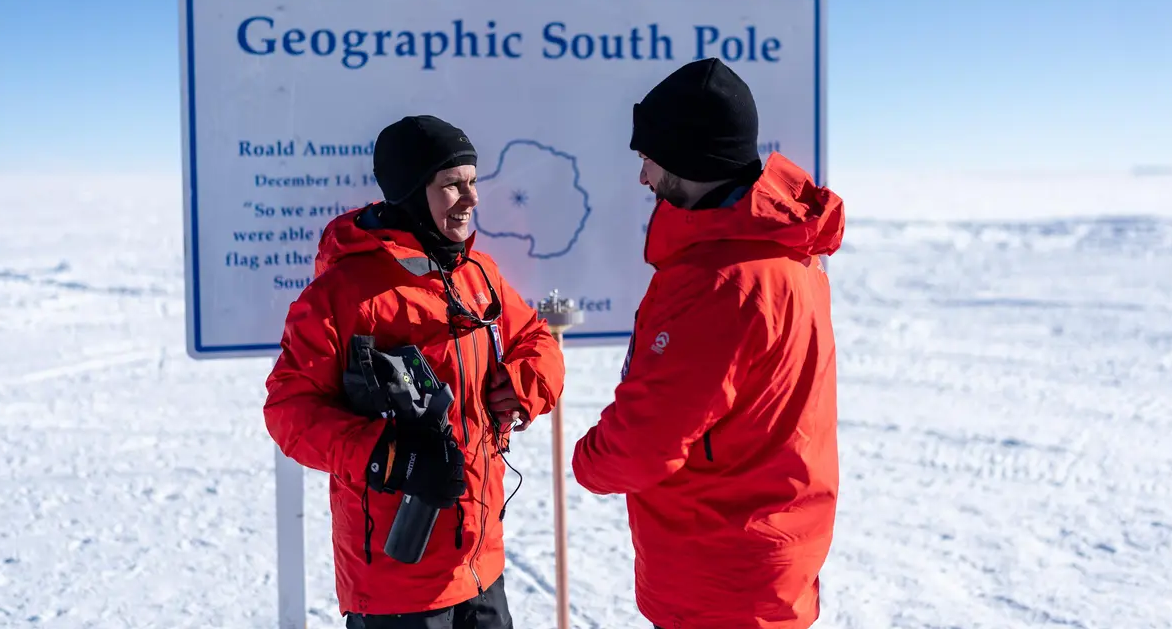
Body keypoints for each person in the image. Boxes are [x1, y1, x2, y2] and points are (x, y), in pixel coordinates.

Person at [571, 58, 846, 629]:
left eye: (647, 158)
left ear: (686, 157)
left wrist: (589, 458)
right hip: (770, 554)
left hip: (718, 573)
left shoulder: (718, 281)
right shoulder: (788, 253)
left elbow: (647, 441)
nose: (642, 177)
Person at [264, 115, 565, 629]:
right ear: (408, 192)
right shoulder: (341, 296)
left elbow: (535, 338)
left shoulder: (477, 274)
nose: (470, 198)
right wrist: (387, 457)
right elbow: (290, 412)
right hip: (395, 579)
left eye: (473, 181)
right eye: (451, 185)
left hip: (480, 562)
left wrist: (521, 385)